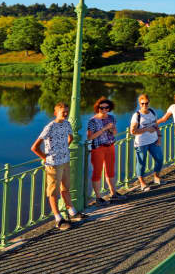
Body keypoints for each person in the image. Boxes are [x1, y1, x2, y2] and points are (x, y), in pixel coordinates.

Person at [30, 102, 84, 230]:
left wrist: (63, 149)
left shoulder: (67, 124)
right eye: (62, 112)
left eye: (67, 111)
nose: (65, 114)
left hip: (65, 160)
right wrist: (46, 158)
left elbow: (70, 138)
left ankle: (72, 212)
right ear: (55, 113)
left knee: (65, 188)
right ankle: (58, 219)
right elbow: (34, 147)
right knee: (53, 192)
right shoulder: (50, 127)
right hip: (53, 163)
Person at [85, 97, 118, 204]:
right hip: (98, 148)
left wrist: (112, 129)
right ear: (97, 108)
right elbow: (90, 137)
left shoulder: (112, 118)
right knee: (97, 172)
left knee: (110, 171)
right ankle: (98, 198)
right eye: (101, 108)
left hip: (110, 146)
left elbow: (115, 133)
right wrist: (104, 129)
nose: (104, 110)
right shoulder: (92, 121)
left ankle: (114, 194)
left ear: (109, 108)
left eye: (106, 108)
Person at [130, 94, 163, 191]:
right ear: (139, 104)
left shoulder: (152, 112)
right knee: (141, 163)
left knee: (160, 159)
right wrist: (147, 129)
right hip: (141, 143)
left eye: (146, 103)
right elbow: (132, 131)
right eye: (142, 103)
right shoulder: (137, 115)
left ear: (149, 102)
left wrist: (159, 137)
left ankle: (156, 177)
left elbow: (156, 125)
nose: (145, 105)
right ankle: (142, 183)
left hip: (153, 141)